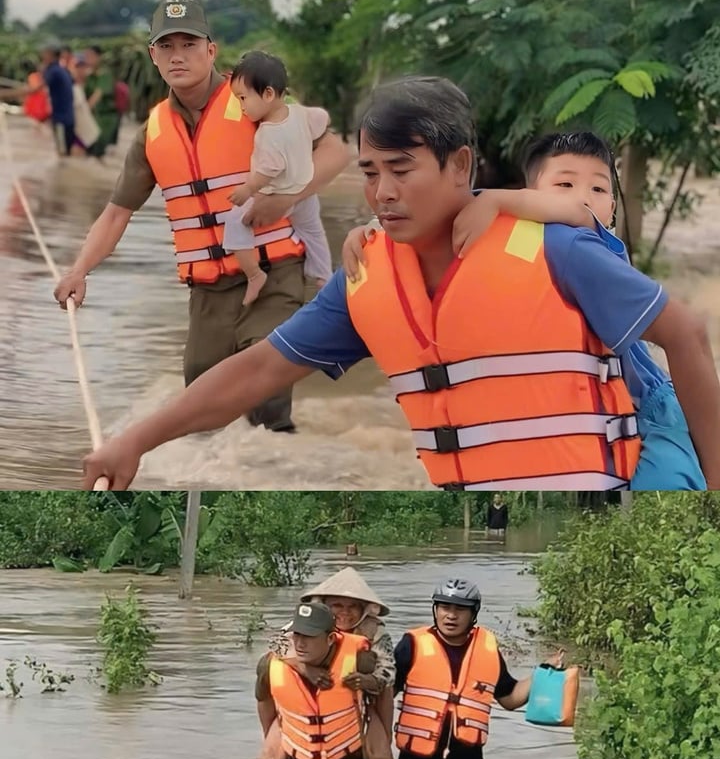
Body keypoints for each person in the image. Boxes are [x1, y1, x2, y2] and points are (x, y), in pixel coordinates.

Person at [79, 75, 720, 491]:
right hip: (478, 530)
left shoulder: (557, 246)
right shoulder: (366, 275)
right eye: (370, 172)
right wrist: (135, 440)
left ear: (461, 164)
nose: (383, 192)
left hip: (592, 520)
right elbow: (255, 372)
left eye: (402, 169)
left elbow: (686, 336)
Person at [54, 0, 350, 436]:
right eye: (166, 45)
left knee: (264, 397)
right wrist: (79, 271)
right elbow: (116, 214)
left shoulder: (255, 98)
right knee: (201, 412)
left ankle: (282, 465)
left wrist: (285, 200)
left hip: (274, 272)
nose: (178, 55)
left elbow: (335, 150)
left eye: (189, 43)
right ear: (153, 56)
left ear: (211, 50)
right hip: (208, 289)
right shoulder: (152, 133)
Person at [443, 131, 705, 490]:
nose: (583, 198)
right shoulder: (518, 246)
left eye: (598, 190)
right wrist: (372, 230)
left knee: (668, 485)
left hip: (650, 411)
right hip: (589, 418)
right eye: (564, 183)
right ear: (533, 193)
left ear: (610, 210)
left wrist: (496, 199)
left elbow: (574, 214)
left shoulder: (596, 247)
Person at [393, 578, 561, 759]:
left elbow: (510, 698)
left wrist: (542, 673)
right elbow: (384, 694)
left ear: (473, 614)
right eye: (444, 607)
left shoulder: (487, 649)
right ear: (435, 610)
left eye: (460, 609)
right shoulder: (411, 645)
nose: (451, 615)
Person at [256, 567, 404, 759]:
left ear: (364, 610)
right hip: (300, 703)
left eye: (352, 607)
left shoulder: (373, 633)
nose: (344, 613)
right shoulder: (299, 624)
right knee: (271, 756)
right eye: (337, 606)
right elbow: (273, 649)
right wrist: (305, 669)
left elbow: (387, 675)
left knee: (381, 754)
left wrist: (367, 681)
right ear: (324, 605)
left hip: (357, 701)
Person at [223, 50, 333, 306]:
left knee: (234, 222)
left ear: (269, 94)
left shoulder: (267, 133)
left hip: (277, 192)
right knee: (314, 233)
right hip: (305, 191)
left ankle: (254, 274)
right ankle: (324, 276)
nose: (241, 106)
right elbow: (321, 118)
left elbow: (270, 168)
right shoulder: (300, 113)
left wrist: (247, 190)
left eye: (243, 98)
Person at [254, 599, 369, 759]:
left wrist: (381, 737)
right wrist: (303, 667)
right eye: (298, 635)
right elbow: (264, 699)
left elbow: (385, 684)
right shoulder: (275, 657)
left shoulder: (362, 651)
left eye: (352, 606)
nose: (300, 643)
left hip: (346, 754)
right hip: (302, 755)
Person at [83, 45, 121, 156]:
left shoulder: (105, 74)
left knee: (99, 148)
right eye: (86, 56)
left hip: (107, 117)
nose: (88, 59)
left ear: (99, 57)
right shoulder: (89, 75)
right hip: (95, 116)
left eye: (91, 56)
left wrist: (83, 112)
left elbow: (97, 95)